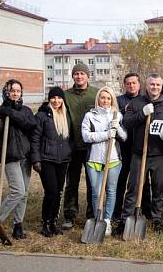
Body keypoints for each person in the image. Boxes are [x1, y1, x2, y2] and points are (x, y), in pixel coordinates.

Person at [118, 73, 163, 234]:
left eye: (158, 85)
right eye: (152, 84)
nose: (155, 88)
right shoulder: (136, 102)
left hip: (160, 155)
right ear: (147, 85)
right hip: (139, 153)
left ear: (162, 87)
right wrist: (142, 113)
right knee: (134, 188)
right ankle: (125, 220)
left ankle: (156, 218)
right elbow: (126, 122)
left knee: (159, 189)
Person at [0, 79, 37, 242]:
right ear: (6, 93)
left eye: (18, 91)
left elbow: (30, 125)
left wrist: (12, 113)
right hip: (9, 156)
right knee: (18, 191)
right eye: (12, 90)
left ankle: (18, 226)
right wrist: (2, 114)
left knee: (25, 194)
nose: (15, 93)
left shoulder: (26, 110)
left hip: (25, 157)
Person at [82, 86, 127, 236]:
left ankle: (107, 220)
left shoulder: (117, 115)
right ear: (98, 99)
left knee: (111, 190)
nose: (105, 100)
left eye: (108, 98)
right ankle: (98, 219)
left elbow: (124, 137)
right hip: (94, 159)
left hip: (113, 159)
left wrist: (117, 129)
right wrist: (106, 134)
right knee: (96, 191)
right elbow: (86, 136)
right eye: (103, 97)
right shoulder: (90, 116)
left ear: (112, 100)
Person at [30, 87, 72, 237]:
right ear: (49, 99)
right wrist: (36, 160)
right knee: (51, 192)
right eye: (53, 98)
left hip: (63, 160)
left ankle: (54, 222)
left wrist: (69, 152)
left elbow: (70, 137)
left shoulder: (65, 115)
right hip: (46, 159)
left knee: (59, 192)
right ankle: (46, 223)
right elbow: (35, 139)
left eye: (59, 98)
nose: (56, 101)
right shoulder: (42, 116)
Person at [62, 63, 99, 230]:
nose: (79, 76)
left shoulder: (96, 94)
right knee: (72, 183)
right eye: (76, 74)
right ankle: (70, 215)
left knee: (93, 183)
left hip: (92, 147)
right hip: (72, 146)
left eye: (82, 73)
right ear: (72, 76)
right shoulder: (65, 95)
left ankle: (92, 215)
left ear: (88, 76)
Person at [113, 73, 146, 224]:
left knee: (142, 180)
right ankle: (117, 210)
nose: (131, 86)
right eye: (128, 83)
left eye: (134, 83)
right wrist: (123, 111)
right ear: (124, 85)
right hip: (123, 146)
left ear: (139, 84)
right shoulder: (119, 101)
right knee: (121, 179)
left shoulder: (145, 100)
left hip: (141, 146)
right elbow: (113, 117)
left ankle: (144, 208)